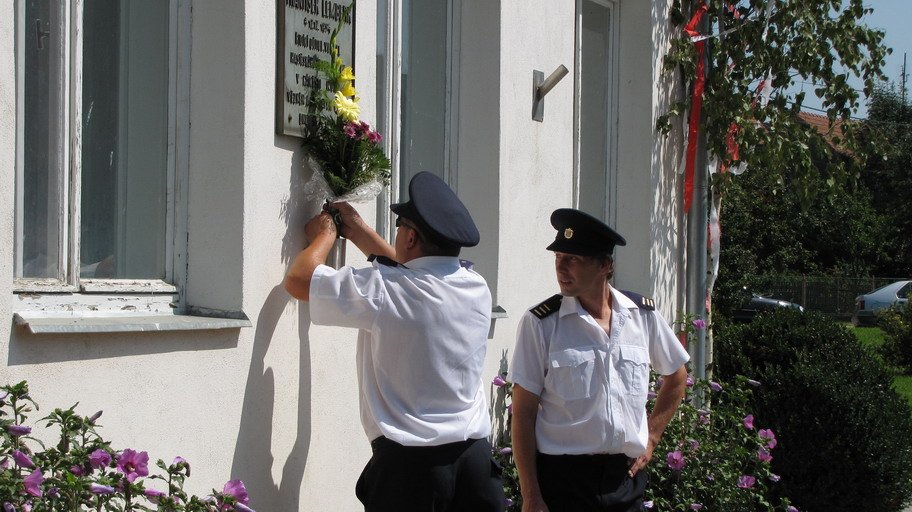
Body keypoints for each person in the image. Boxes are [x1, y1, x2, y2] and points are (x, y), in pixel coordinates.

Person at [284, 171, 505, 512]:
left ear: (412, 237)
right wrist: (360, 232)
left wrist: (323, 237)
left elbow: (299, 280)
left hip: (412, 469)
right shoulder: (474, 285)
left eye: (400, 226)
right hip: (473, 460)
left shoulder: (385, 289)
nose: (397, 233)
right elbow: (410, 276)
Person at [508, 208, 690, 512]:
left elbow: (677, 375)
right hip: (564, 482)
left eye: (573, 260)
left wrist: (653, 436)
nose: (561, 269)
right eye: (558, 259)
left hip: (625, 480)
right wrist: (531, 495)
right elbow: (523, 414)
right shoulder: (541, 323)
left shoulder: (641, 316)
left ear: (605, 265)